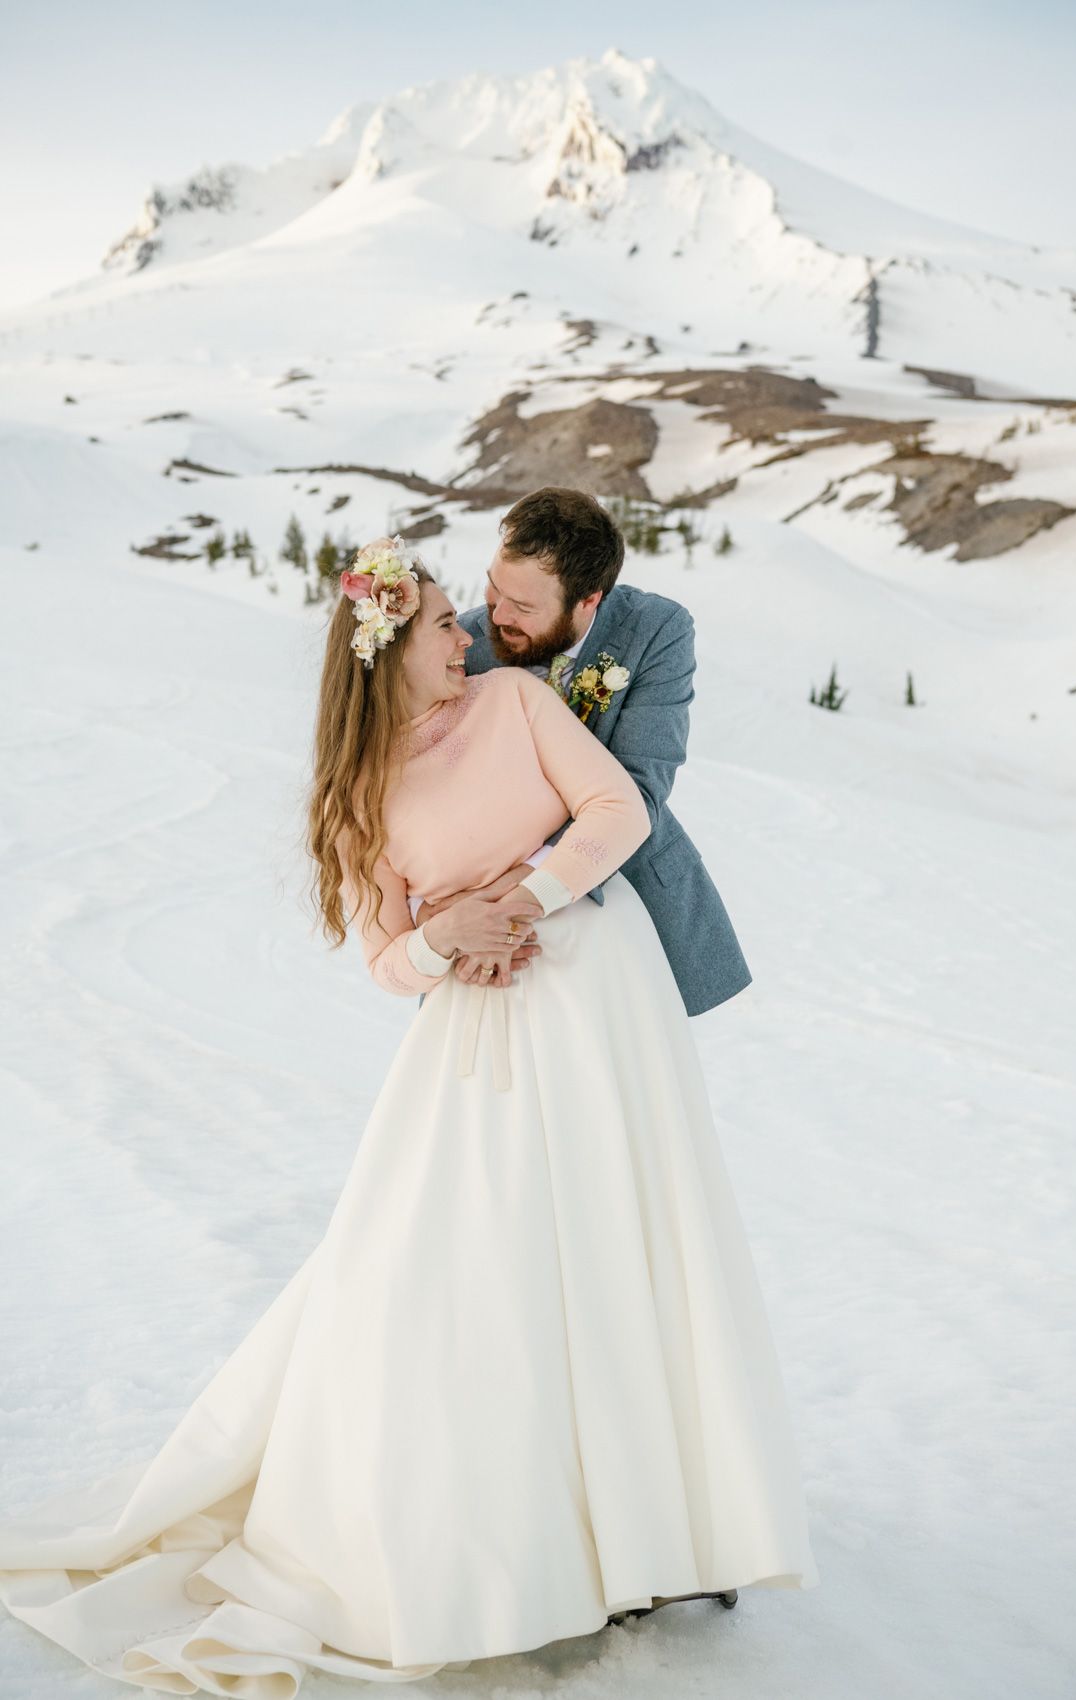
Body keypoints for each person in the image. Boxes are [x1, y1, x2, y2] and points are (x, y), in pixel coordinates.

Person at [0, 538, 818, 1695]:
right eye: (441, 620)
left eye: (457, 614)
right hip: (476, 1027)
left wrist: (514, 899)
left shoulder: (518, 700)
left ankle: (668, 1528)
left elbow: (616, 808)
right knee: (474, 1259)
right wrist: (443, 938)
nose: (465, 632)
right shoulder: (361, 787)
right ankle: (529, 1519)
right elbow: (384, 955)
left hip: (596, 990)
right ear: (388, 655)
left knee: (624, 1234)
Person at [434, 486, 751, 1017]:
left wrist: (516, 897)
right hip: (480, 907)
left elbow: (639, 790)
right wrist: (466, 917)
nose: (497, 615)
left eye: (525, 606)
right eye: (494, 589)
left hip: (619, 890)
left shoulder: (656, 632)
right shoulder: (462, 642)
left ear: (589, 600)